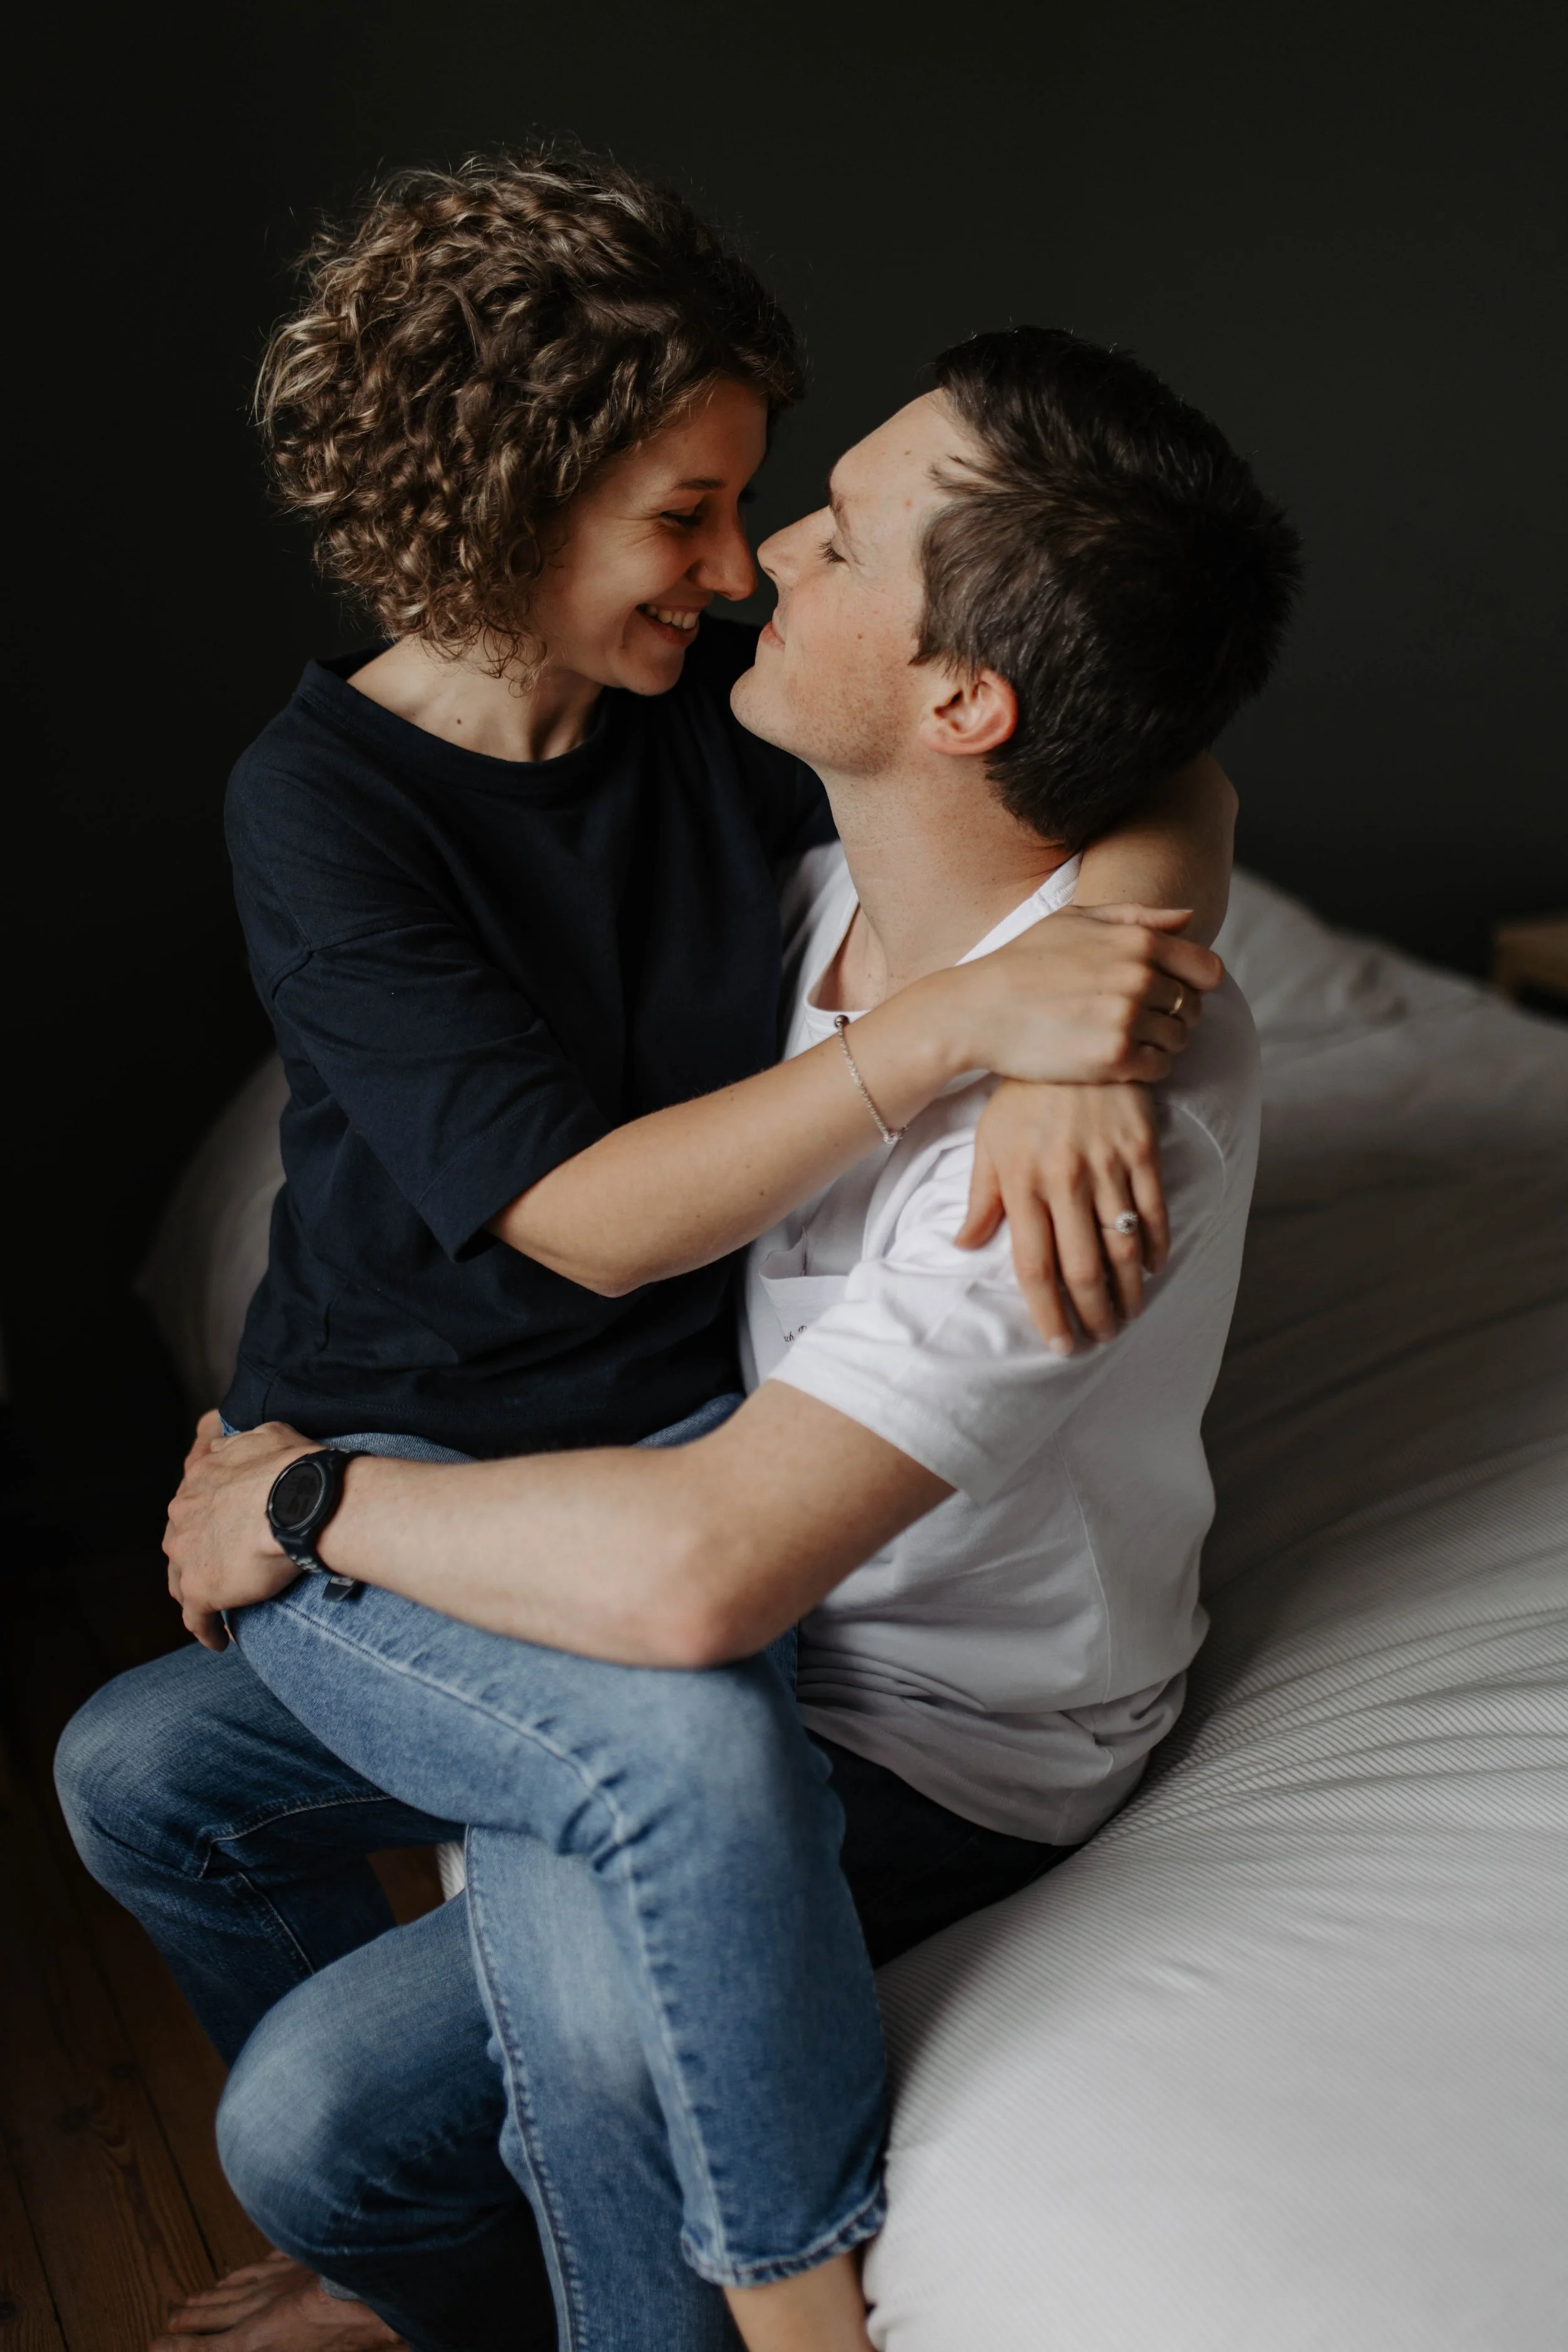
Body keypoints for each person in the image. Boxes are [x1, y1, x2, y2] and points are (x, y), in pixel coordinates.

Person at [93, 320, 1298, 2352]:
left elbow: (704, 1568)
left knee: (316, 2123)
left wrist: (303, 1498)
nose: (759, 566)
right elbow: (1164, 760)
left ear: (956, 697)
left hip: (921, 1731)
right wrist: (1073, 965)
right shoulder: (798, 875)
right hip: (738, 1587)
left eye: (825, 536)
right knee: (134, 1769)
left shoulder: (1084, 1151)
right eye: (736, 514)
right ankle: (427, 2266)